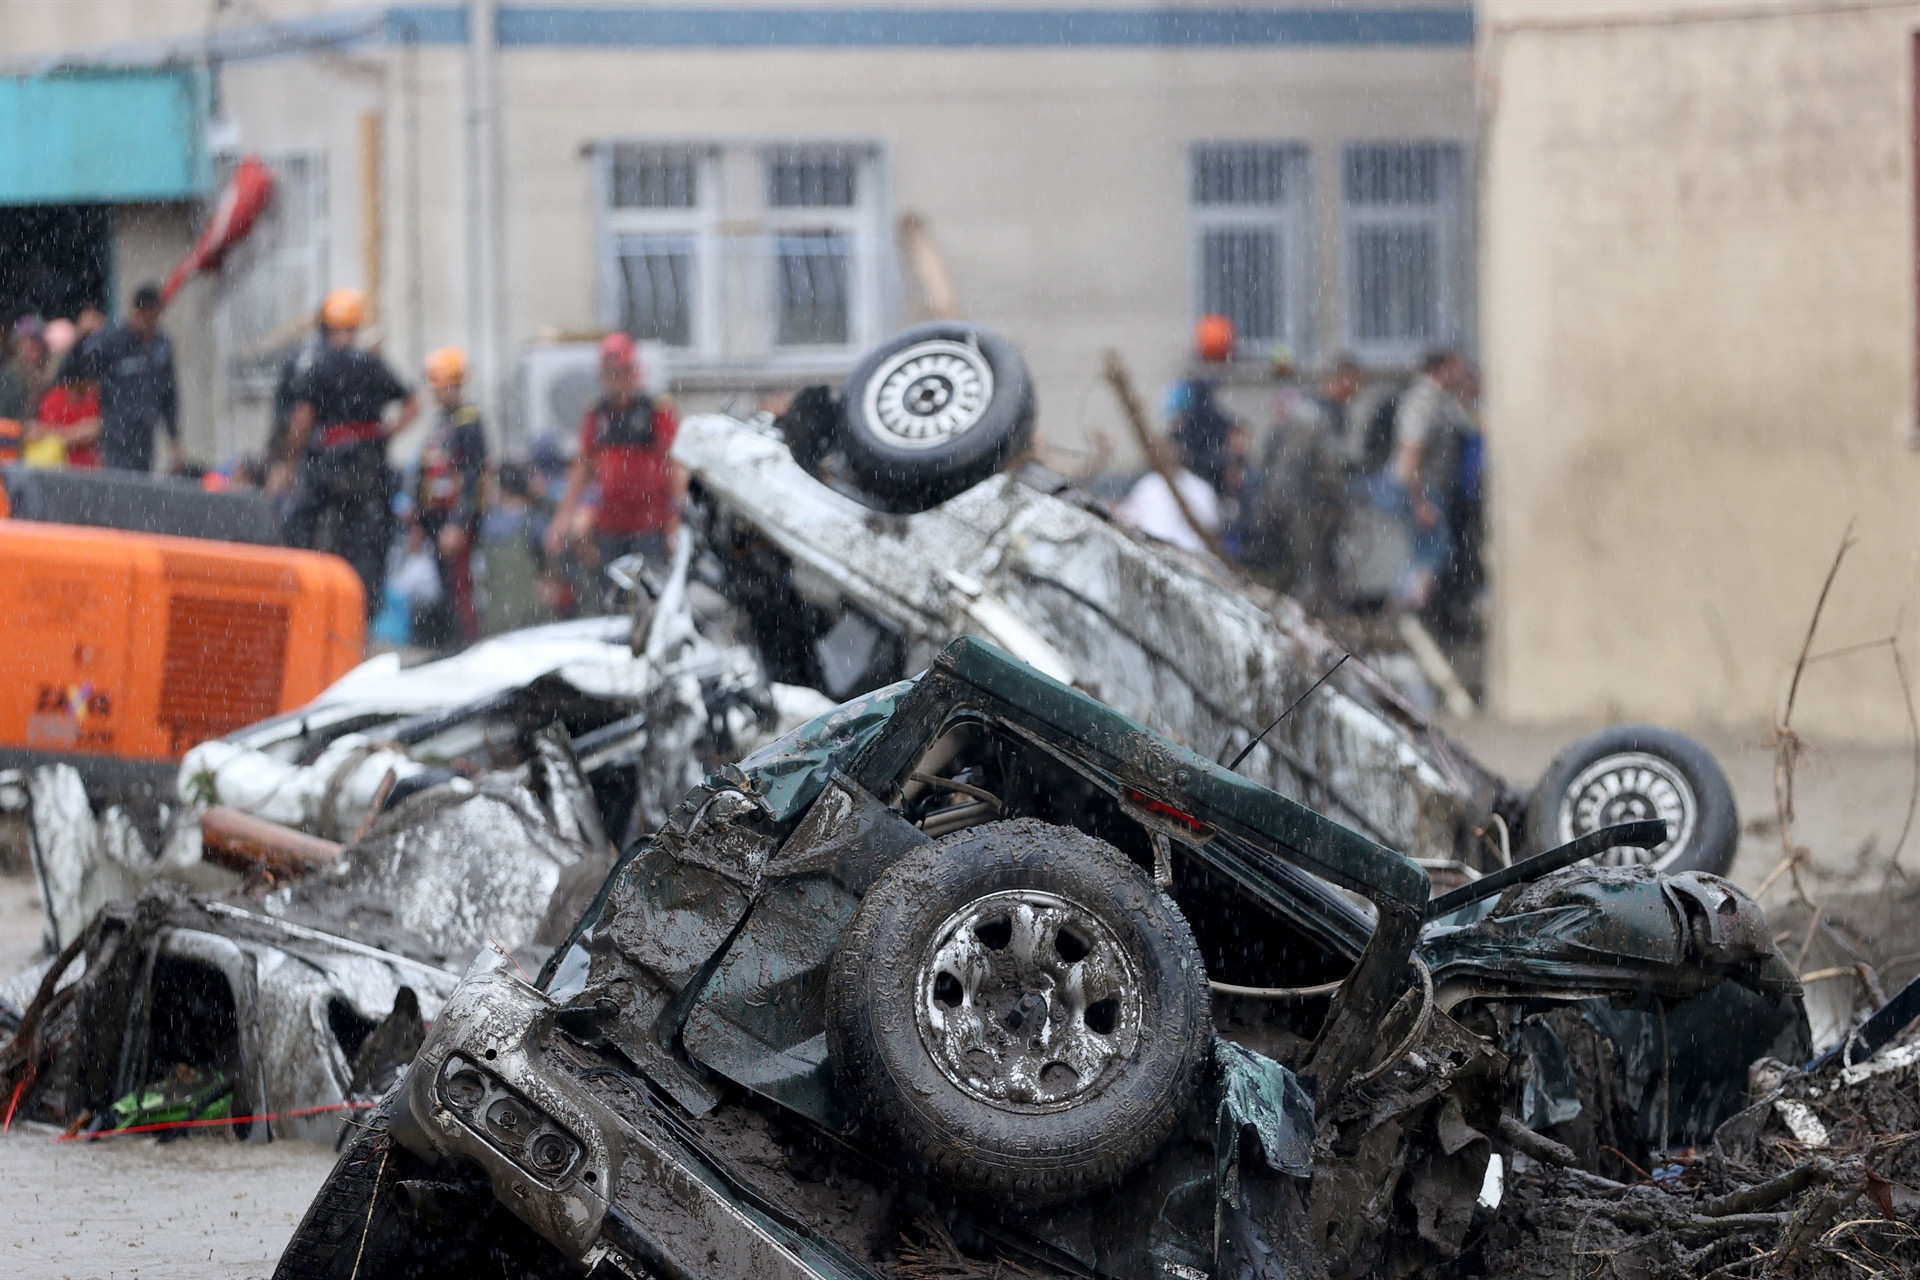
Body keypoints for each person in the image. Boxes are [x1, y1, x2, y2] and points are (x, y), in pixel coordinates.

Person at [280, 288, 418, 615]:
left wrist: (289, 462)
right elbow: (413, 403)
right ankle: (363, 608)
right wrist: (386, 433)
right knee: (369, 540)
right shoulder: (372, 364)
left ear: (325, 327)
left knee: (299, 523)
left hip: (329, 469)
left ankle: (298, 588)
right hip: (369, 470)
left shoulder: (320, 366)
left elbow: (302, 420)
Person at [547, 333, 686, 574]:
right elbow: (583, 467)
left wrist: (680, 512)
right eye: (611, 373)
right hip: (611, 522)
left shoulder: (656, 410)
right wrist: (564, 515)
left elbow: (675, 463)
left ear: (633, 372)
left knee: (650, 586)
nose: (616, 380)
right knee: (613, 591)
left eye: (621, 372)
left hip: (651, 521)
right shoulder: (597, 414)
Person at [1378, 349, 1472, 611]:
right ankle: (1403, 612)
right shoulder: (1423, 401)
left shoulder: (1441, 400)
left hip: (1428, 488)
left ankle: (1407, 615)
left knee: (1431, 552)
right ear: (1441, 369)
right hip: (1418, 488)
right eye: (1457, 368)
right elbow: (1410, 454)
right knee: (1432, 552)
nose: (1462, 374)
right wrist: (1419, 502)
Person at [412, 346, 489, 647]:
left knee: (460, 587)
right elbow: (427, 470)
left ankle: (465, 646)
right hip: (437, 517)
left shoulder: (468, 421)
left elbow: (473, 476)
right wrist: (419, 521)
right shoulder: (443, 422)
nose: (435, 392)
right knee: (447, 587)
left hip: (455, 521)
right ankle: (450, 645)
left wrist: (458, 523)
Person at [66, 283, 181, 473]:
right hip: (116, 435)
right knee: (119, 487)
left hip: (145, 436)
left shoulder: (162, 348)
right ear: (135, 313)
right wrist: (80, 338)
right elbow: (76, 371)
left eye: (153, 316)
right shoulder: (115, 343)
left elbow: (169, 396)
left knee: (140, 490)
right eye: (144, 315)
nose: (148, 322)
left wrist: (174, 439)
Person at [29, 320, 102, 470]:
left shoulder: (93, 398)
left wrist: (60, 435)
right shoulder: (53, 399)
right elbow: (40, 431)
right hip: (59, 472)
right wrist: (74, 433)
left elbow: (96, 428)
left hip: (89, 471)